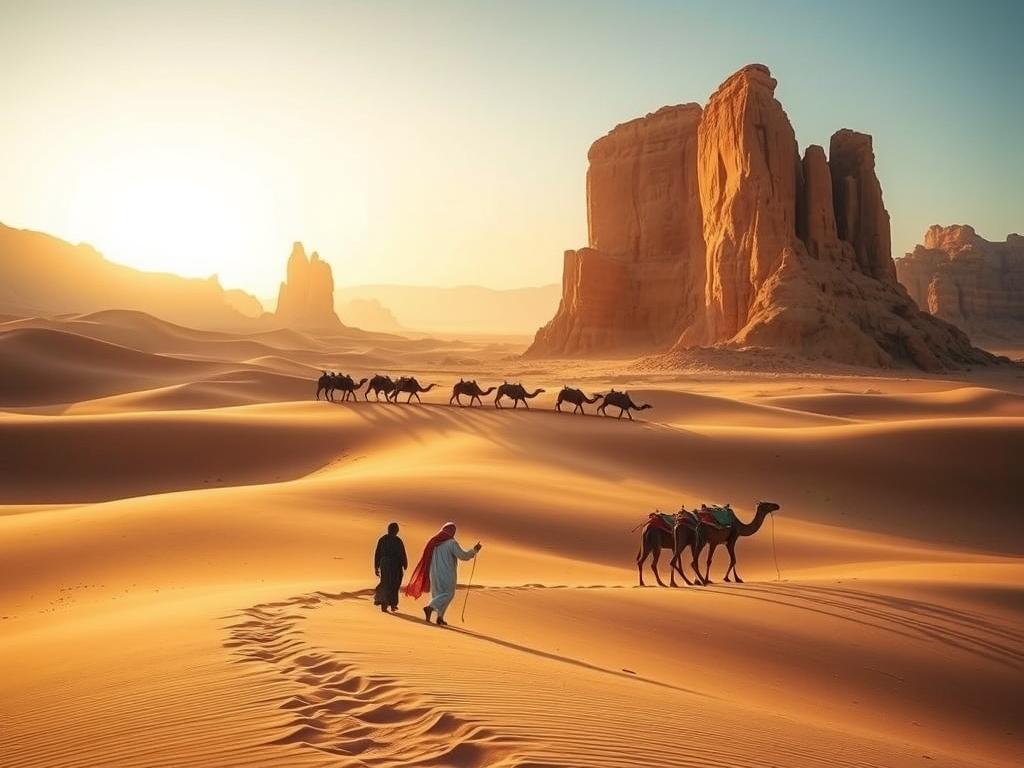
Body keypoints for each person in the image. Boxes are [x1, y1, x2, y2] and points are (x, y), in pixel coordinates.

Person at [404, 522, 481, 626]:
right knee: (448, 594)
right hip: (447, 573)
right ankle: (430, 607)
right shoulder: (451, 543)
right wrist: (474, 550)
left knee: (438, 595)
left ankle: (440, 617)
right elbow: (463, 556)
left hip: (434, 573)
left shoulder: (434, 543)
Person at [373, 522, 408, 613]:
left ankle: (388, 603)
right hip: (394, 565)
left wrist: (376, 566)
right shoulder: (397, 540)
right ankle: (390, 604)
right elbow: (402, 553)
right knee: (394, 584)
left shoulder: (383, 539)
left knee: (386, 582)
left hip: (385, 564)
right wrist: (405, 564)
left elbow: (377, 554)